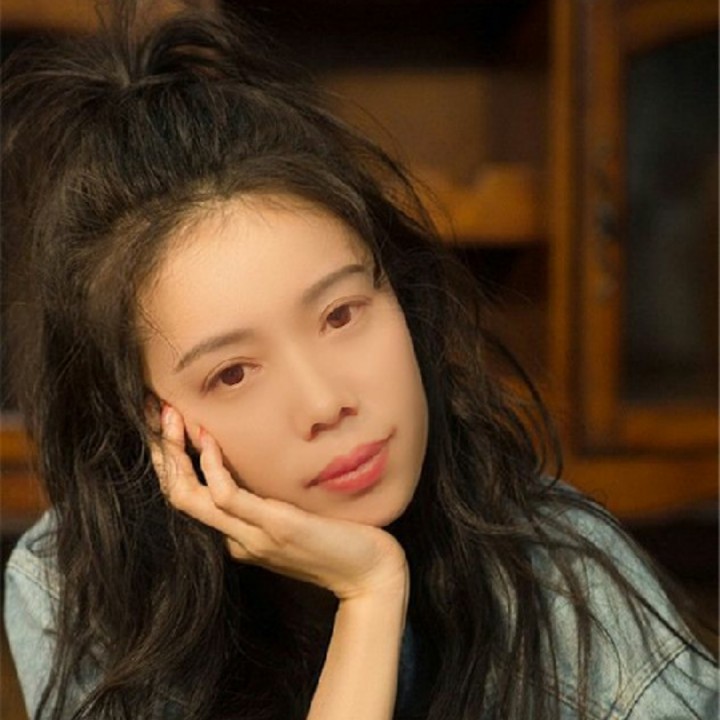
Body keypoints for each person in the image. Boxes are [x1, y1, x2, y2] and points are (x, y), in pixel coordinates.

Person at [2, 2, 717, 719]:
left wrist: (369, 588)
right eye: (233, 373)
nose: (325, 403)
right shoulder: (70, 583)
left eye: (341, 315)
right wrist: (371, 597)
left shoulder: (567, 592)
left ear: (400, 295)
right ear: (152, 420)